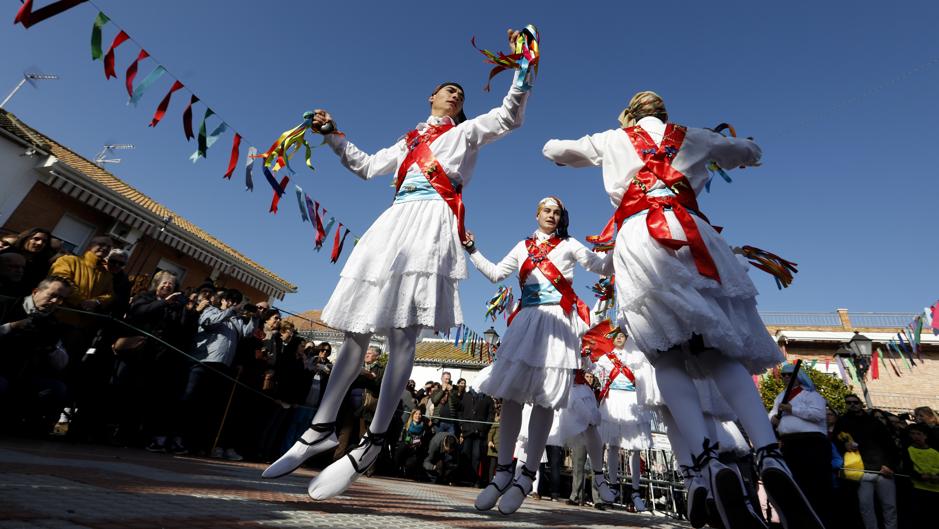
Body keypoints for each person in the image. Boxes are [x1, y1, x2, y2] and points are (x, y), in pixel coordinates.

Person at [263, 29, 534, 501]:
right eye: (449, 88)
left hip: (431, 221)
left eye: (462, 93)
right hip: (393, 222)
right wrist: (331, 135)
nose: (456, 94)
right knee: (355, 324)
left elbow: (509, 117)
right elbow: (367, 167)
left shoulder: (465, 134)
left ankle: (375, 438)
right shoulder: (408, 139)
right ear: (431, 96)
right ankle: (321, 426)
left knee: (404, 331)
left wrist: (525, 71)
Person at [543, 91, 820, 529]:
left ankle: (709, 464)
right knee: (716, 347)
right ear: (664, 113)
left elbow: (553, 149)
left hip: (640, 238)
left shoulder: (613, 139)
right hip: (692, 232)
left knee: (665, 352)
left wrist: (577, 153)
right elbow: (752, 151)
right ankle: (769, 455)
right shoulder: (692, 136)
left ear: (630, 114)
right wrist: (737, 148)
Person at [464, 196, 611, 514]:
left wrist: (625, 244)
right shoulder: (522, 246)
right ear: (537, 213)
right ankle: (503, 471)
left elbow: (601, 266)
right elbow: (494, 274)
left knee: (545, 399)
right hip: (527, 321)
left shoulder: (570, 246)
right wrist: (472, 249)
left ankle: (527, 475)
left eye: (557, 212)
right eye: (547, 210)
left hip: (558, 323)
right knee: (512, 395)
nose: (552, 215)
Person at [0, 276, 71, 434]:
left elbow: (62, 362)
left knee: (56, 388)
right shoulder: (6, 304)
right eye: (52, 295)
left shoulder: (52, 323)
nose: (55, 302)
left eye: (61, 299)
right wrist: (12, 327)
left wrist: (50, 347)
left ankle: (33, 431)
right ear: (36, 291)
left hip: (23, 375)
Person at [768, 364, 832, 528]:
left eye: (790, 374)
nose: (786, 377)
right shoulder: (780, 397)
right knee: (794, 485)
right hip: (789, 445)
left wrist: (792, 409)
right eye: (783, 375)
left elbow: (818, 414)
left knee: (815, 485)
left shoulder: (812, 395)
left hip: (812, 444)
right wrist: (773, 420)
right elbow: (772, 416)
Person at [596, 330, 652, 512]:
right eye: (616, 335)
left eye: (622, 335)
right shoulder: (606, 358)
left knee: (636, 448)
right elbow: (592, 369)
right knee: (612, 445)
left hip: (633, 401)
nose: (619, 338)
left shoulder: (638, 356)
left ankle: (636, 490)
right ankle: (613, 485)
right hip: (613, 402)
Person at [834, 394, 899, 529]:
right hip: (861, 471)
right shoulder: (842, 422)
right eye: (848, 402)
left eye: (855, 402)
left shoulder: (874, 422)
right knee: (866, 507)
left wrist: (890, 466)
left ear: (861, 403)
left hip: (883, 470)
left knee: (889, 506)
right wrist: (844, 445)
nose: (852, 404)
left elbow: (889, 445)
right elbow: (835, 442)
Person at [904, 423, 939, 526]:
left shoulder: (935, 452)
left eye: (919, 434)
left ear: (925, 436)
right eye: (912, 434)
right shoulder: (908, 450)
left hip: (936, 488)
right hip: (919, 489)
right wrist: (920, 477)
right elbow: (908, 468)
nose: (915, 437)